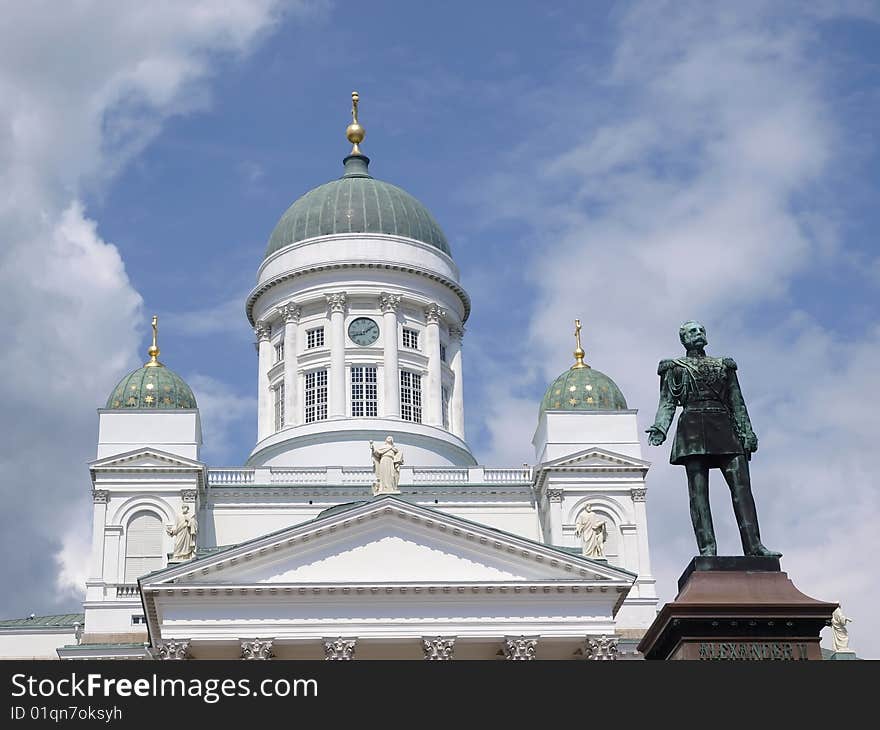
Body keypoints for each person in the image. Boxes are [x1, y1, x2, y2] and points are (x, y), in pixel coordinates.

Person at [646, 320, 780, 558]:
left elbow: (737, 402)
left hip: (725, 426)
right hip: (692, 427)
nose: (697, 334)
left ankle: (754, 546)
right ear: (683, 340)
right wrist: (660, 428)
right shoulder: (674, 368)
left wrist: (747, 432)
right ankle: (708, 549)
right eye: (691, 332)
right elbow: (667, 402)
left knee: (742, 489)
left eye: (700, 330)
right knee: (698, 494)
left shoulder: (724, 366)